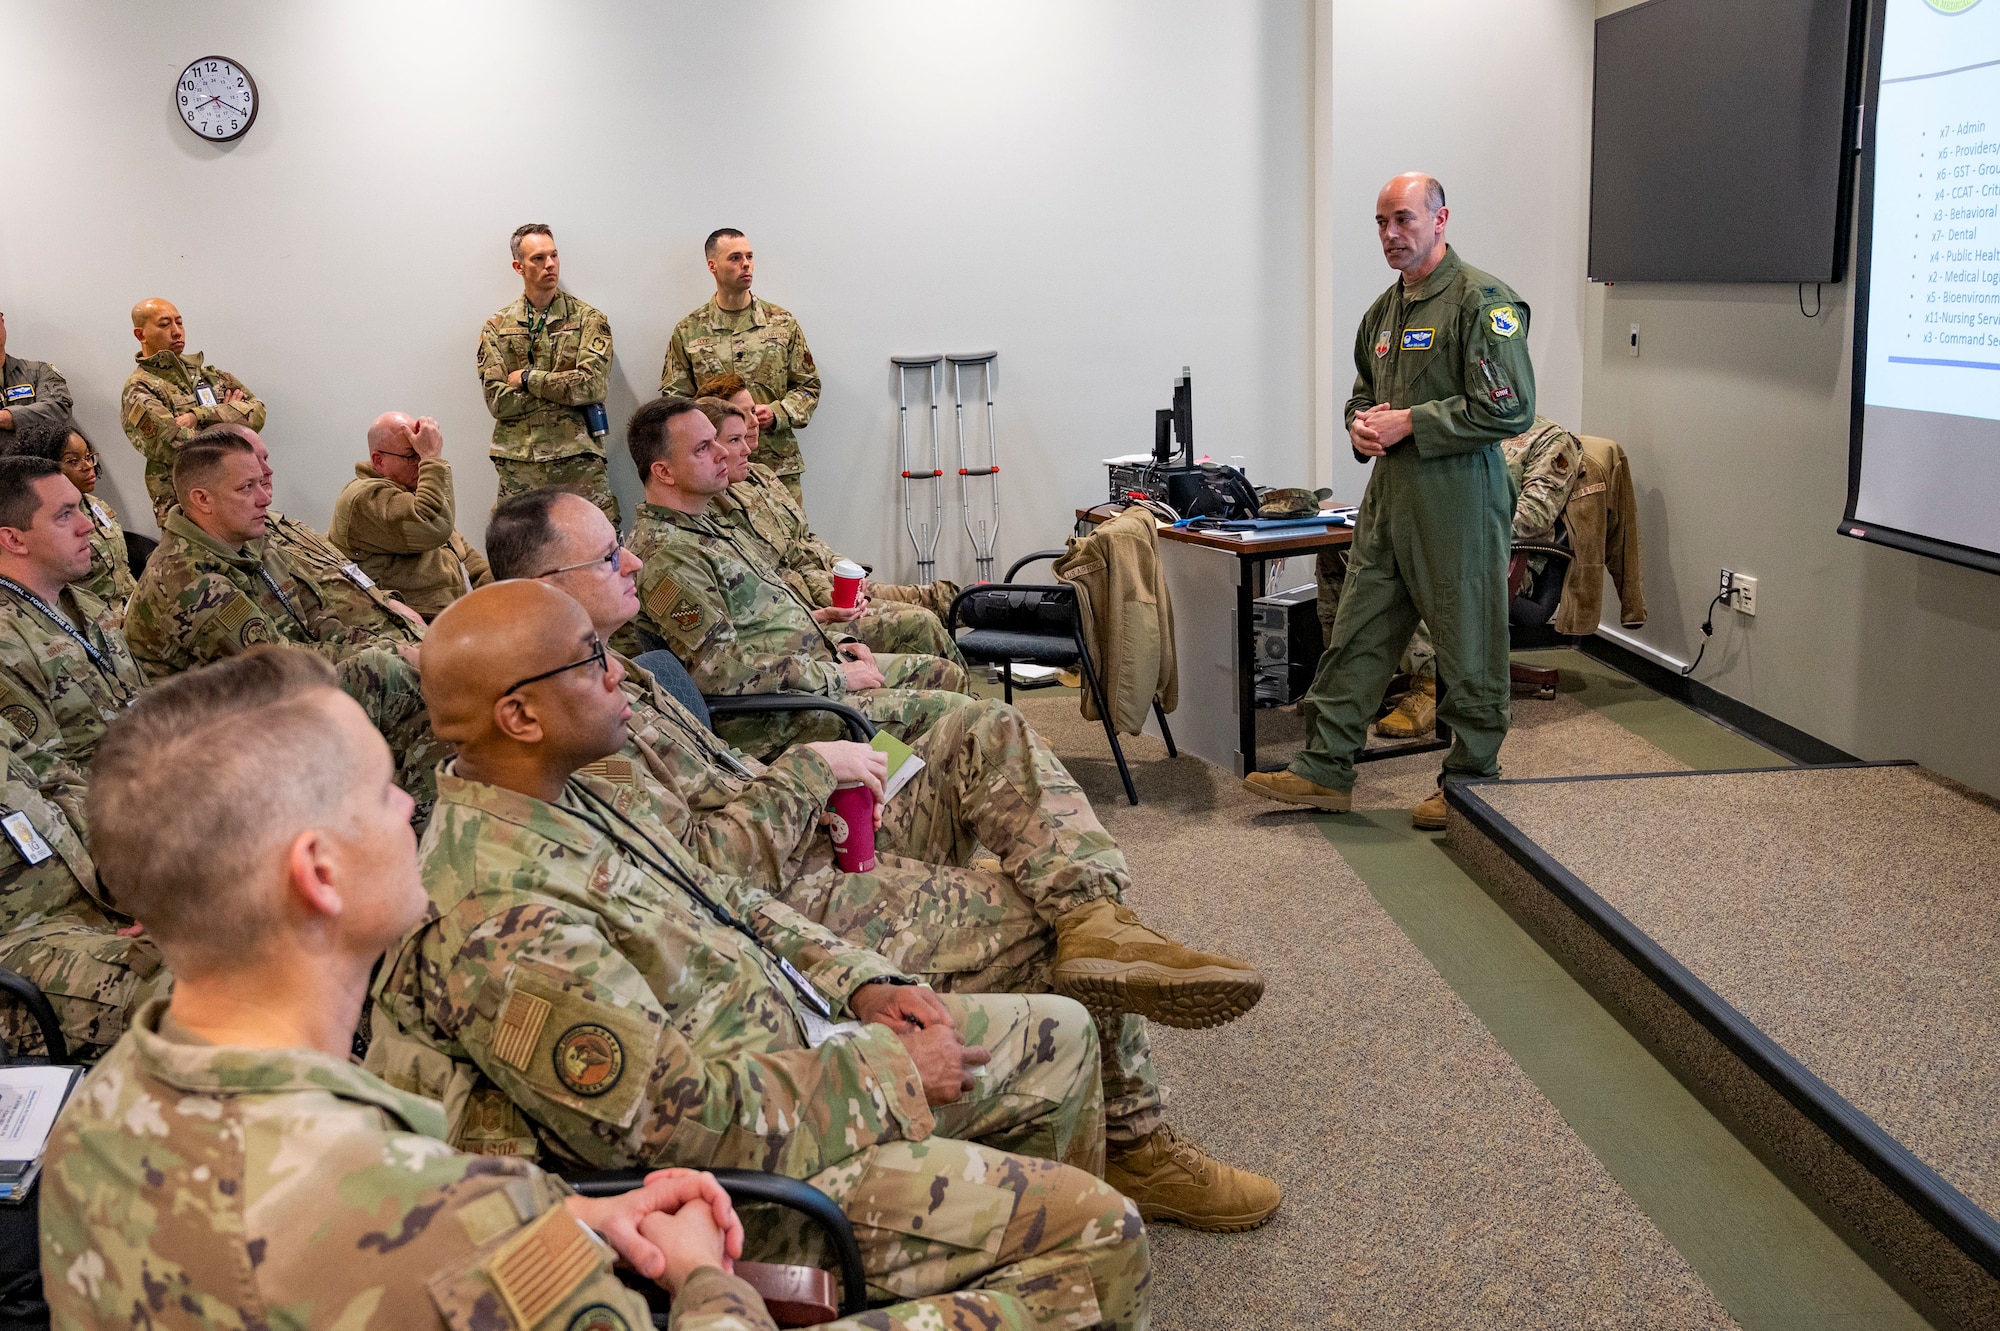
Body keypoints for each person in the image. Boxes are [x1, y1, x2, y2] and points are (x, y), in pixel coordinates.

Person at [42, 648, 1020, 1331]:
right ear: (320, 872)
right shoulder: (451, 1213)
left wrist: (570, 1216)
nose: (413, 807)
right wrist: (699, 1275)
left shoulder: (96, 1118)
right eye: (387, 790)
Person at [489, 487, 1280, 1230]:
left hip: (807, 816)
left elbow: (725, 784)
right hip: (790, 891)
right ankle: (1136, 1140)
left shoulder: (615, 667)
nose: (629, 561)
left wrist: (817, 757)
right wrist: (809, 770)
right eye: (606, 558)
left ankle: (1097, 914)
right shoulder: (568, 719)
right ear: (541, 587)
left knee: (981, 732)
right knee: (1033, 922)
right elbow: (702, 881)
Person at [366, 581, 1150, 1326]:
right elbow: (667, 1130)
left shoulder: (565, 790)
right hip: (745, 1182)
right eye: (589, 659)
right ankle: (1025, 1260)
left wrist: (864, 981)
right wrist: (891, 1072)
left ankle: (998, 1259)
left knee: (1064, 1033)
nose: (617, 673)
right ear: (520, 715)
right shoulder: (496, 915)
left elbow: (728, 896)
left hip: (799, 1047)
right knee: (1098, 1233)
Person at [1245, 173, 1534, 830]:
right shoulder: (1385, 312)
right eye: (1380, 222)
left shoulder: (1481, 301)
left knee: (1468, 639)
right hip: (1390, 500)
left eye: (1402, 219)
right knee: (1358, 630)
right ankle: (1325, 767)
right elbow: (1362, 394)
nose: (1390, 234)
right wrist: (1359, 424)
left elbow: (1511, 407)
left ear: (1440, 219)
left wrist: (1414, 423)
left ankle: (1471, 780)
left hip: (1458, 498)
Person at [121, 429, 444, 818]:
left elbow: (319, 620)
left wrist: (389, 643)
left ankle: (424, 822)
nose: (265, 497)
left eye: (261, 482)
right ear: (201, 500)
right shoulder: (186, 580)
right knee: (395, 674)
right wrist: (395, 654)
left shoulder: (246, 541)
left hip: (275, 697)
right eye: (246, 488)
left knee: (424, 688)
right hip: (223, 735)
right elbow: (280, 667)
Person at [621, 398, 967, 758]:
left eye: (717, 441)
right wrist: (837, 677)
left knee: (944, 675)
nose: (723, 453)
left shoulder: (709, 526)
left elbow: (766, 620)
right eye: (703, 448)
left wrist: (840, 642)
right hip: (776, 717)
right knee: (963, 717)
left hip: (808, 670)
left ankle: (916, 789)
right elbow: (720, 669)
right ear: (664, 472)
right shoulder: (668, 555)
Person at [695, 385, 963, 663]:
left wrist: (846, 568)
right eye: (735, 434)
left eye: (752, 411)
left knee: (931, 598)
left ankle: (996, 606)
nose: (755, 421)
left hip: (822, 581)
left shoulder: (760, 476)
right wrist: (824, 609)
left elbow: (804, 537)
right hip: (805, 600)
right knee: (922, 616)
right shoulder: (712, 510)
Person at [1365, 415, 1584, 739]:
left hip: (1502, 557)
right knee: (1345, 556)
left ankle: (1431, 686)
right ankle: (1356, 680)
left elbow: (1532, 516)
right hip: (1443, 540)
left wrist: (1454, 532)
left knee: (1424, 563)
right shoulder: (1466, 426)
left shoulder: (1550, 440)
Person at [0, 715, 164, 1062]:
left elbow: (61, 784)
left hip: (99, 888)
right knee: (203, 989)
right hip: (19, 945)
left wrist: (145, 886)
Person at [0, 456, 145, 828]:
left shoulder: (83, 602)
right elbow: (48, 782)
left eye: (80, 509)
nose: (87, 526)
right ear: (13, 539)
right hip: (118, 821)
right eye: (65, 515)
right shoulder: (7, 643)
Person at [662, 231, 819, 502]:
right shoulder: (689, 330)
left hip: (776, 464)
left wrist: (777, 412)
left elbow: (808, 385)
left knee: (788, 541)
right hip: (715, 468)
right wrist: (710, 426)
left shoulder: (781, 323)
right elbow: (674, 401)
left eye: (749, 257)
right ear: (712, 265)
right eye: (735, 258)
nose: (745, 264)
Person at [478, 223, 618, 526]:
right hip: (519, 467)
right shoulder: (497, 327)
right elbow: (497, 402)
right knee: (519, 551)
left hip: (578, 464)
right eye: (538, 258)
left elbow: (592, 386)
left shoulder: (588, 320)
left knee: (596, 549)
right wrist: (563, 390)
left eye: (554, 255)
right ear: (519, 266)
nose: (550, 264)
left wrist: (529, 379)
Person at [331, 411, 494, 618]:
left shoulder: (411, 490)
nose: (421, 463)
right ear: (378, 461)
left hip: (454, 613)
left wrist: (506, 587)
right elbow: (433, 526)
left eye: (422, 452)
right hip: (410, 625)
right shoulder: (363, 498)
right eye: (412, 455)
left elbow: (465, 557)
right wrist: (432, 459)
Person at [118, 298, 266, 523]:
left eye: (179, 322)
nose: (177, 332)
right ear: (140, 335)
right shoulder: (140, 388)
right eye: (165, 324)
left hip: (236, 497)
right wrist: (231, 418)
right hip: (186, 507)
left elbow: (258, 412)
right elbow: (177, 447)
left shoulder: (209, 375)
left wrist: (201, 415)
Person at [7, 418, 137, 618]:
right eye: (73, 461)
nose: (87, 466)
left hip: (132, 611)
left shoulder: (97, 506)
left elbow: (123, 571)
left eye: (88, 456)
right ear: (43, 466)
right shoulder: (39, 523)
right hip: (92, 624)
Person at [0, 308, 74, 443]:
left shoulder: (39, 371)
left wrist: (6, 418)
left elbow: (58, 409)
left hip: (38, 462)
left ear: (2, 321)